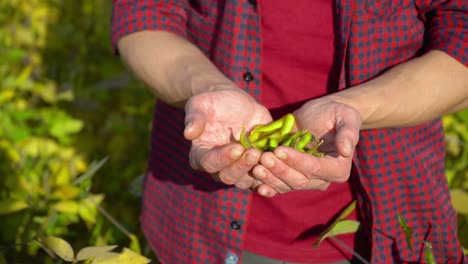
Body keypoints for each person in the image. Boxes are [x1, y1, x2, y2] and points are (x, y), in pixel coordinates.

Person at [111, 0, 468, 263]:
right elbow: (144, 14)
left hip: (389, 229)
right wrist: (205, 87)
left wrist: (357, 107)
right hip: (199, 223)